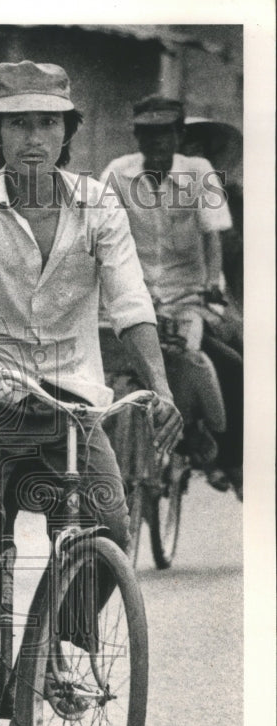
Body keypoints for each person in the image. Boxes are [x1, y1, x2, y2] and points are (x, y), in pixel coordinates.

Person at [0, 62, 182, 726]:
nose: (32, 137)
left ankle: (57, 650)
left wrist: (156, 384)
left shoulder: (98, 205)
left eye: (46, 122)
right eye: (17, 123)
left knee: (110, 532)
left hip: (69, 400)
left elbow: (131, 303)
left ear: (67, 132)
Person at [100, 96, 243, 500]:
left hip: (187, 295)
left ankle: (221, 450)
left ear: (178, 134)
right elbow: (97, 229)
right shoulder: (117, 173)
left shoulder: (200, 173)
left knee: (216, 363)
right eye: (146, 131)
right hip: (131, 294)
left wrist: (212, 284)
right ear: (136, 136)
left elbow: (212, 235)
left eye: (164, 131)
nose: (155, 140)